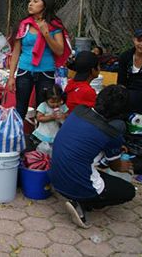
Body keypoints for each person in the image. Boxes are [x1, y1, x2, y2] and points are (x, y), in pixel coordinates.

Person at [49, 85, 135, 228]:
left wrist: (114, 149)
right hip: (75, 183)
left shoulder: (78, 111)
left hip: (55, 177)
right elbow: (115, 166)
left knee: (86, 164)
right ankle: (83, 201)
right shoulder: (111, 134)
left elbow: (86, 141)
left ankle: (80, 196)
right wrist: (123, 165)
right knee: (128, 191)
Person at [7, 0, 71, 119]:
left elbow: (59, 50)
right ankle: (18, 137)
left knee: (43, 108)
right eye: (30, 1)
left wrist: (46, 34)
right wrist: (11, 76)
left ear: (45, 5)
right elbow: (16, 53)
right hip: (24, 71)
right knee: (20, 107)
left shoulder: (54, 26)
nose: (30, 4)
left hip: (46, 72)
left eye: (35, 1)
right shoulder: (24, 25)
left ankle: (38, 137)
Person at [32, 85, 68, 151]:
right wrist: (51, 117)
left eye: (58, 101)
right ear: (46, 100)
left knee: (55, 149)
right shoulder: (43, 106)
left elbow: (67, 115)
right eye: (52, 102)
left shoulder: (62, 106)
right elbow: (39, 118)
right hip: (44, 133)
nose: (55, 104)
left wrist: (63, 115)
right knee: (43, 149)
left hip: (56, 133)